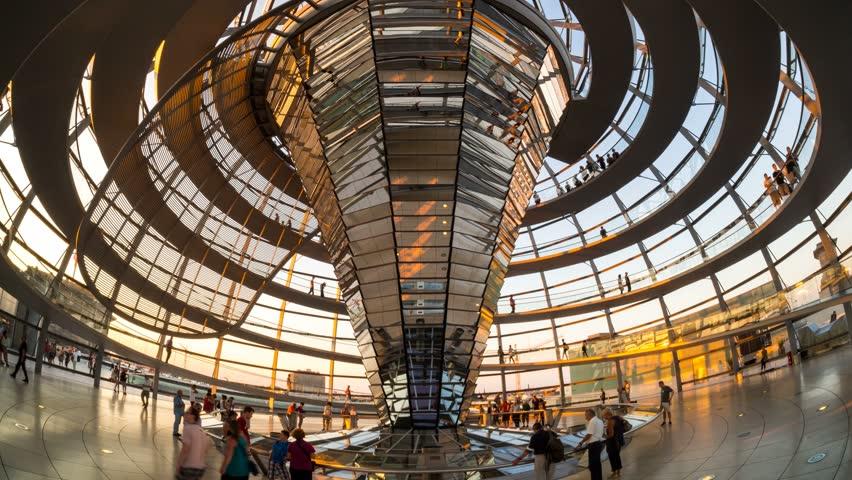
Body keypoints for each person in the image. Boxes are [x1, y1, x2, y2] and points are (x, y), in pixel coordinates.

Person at [176, 406, 210, 480]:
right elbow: (206, 450)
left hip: (189, 467)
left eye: (187, 412)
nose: (185, 414)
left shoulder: (188, 429)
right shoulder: (202, 432)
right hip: (200, 468)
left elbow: (185, 450)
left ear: (193, 416)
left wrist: (178, 465)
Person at [576, 409, 605, 480]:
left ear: (590, 415)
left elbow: (589, 435)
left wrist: (580, 443)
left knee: (592, 465)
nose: (585, 417)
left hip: (593, 445)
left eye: (586, 415)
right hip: (599, 443)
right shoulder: (600, 421)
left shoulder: (592, 421)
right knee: (597, 464)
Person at [603, 408, 623, 477]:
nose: (604, 417)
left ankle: (614, 472)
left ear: (607, 414)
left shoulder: (610, 421)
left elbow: (611, 434)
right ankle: (618, 473)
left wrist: (604, 437)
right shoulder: (618, 418)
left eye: (604, 415)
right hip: (619, 441)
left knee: (612, 457)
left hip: (612, 443)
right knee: (617, 456)